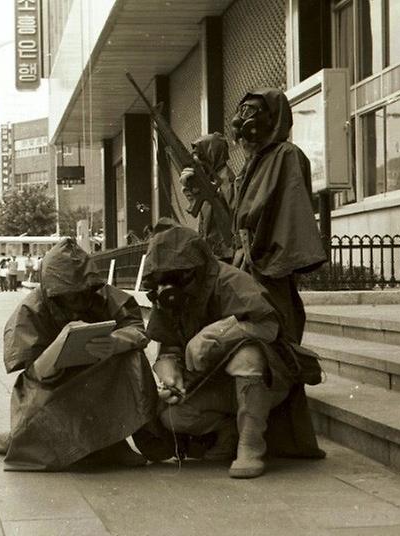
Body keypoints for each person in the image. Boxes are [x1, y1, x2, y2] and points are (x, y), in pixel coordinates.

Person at [134, 220, 324, 478]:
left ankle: (251, 446)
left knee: (247, 355)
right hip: (213, 384)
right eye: (159, 279)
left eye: (174, 276)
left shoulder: (230, 281)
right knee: (173, 417)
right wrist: (170, 375)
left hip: (267, 380)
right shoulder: (168, 294)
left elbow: (268, 327)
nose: (166, 286)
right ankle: (229, 432)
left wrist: (218, 333)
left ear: (194, 269)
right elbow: (168, 347)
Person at [0, 238, 157, 471]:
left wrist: (116, 342)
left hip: (96, 380)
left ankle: (114, 441)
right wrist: (58, 348)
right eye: (67, 295)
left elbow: (137, 329)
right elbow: (33, 373)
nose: (76, 302)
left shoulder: (104, 295)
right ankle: (20, 439)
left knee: (133, 359)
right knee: (31, 432)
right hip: (51, 385)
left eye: (81, 293)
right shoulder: (31, 310)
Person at [230, 88, 326, 343]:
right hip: (249, 262)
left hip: (267, 263)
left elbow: (289, 211)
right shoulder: (256, 161)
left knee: (276, 328)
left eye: (251, 115)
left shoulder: (286, 155)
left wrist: (265, 258)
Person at [179, 132, 235, 261]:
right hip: (212, 248)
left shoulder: (225, 178)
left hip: (224, 251)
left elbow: (232, 208)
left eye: (200, 154)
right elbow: (199, 205)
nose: (197, 159)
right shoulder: (211, 177)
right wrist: (188, 185)